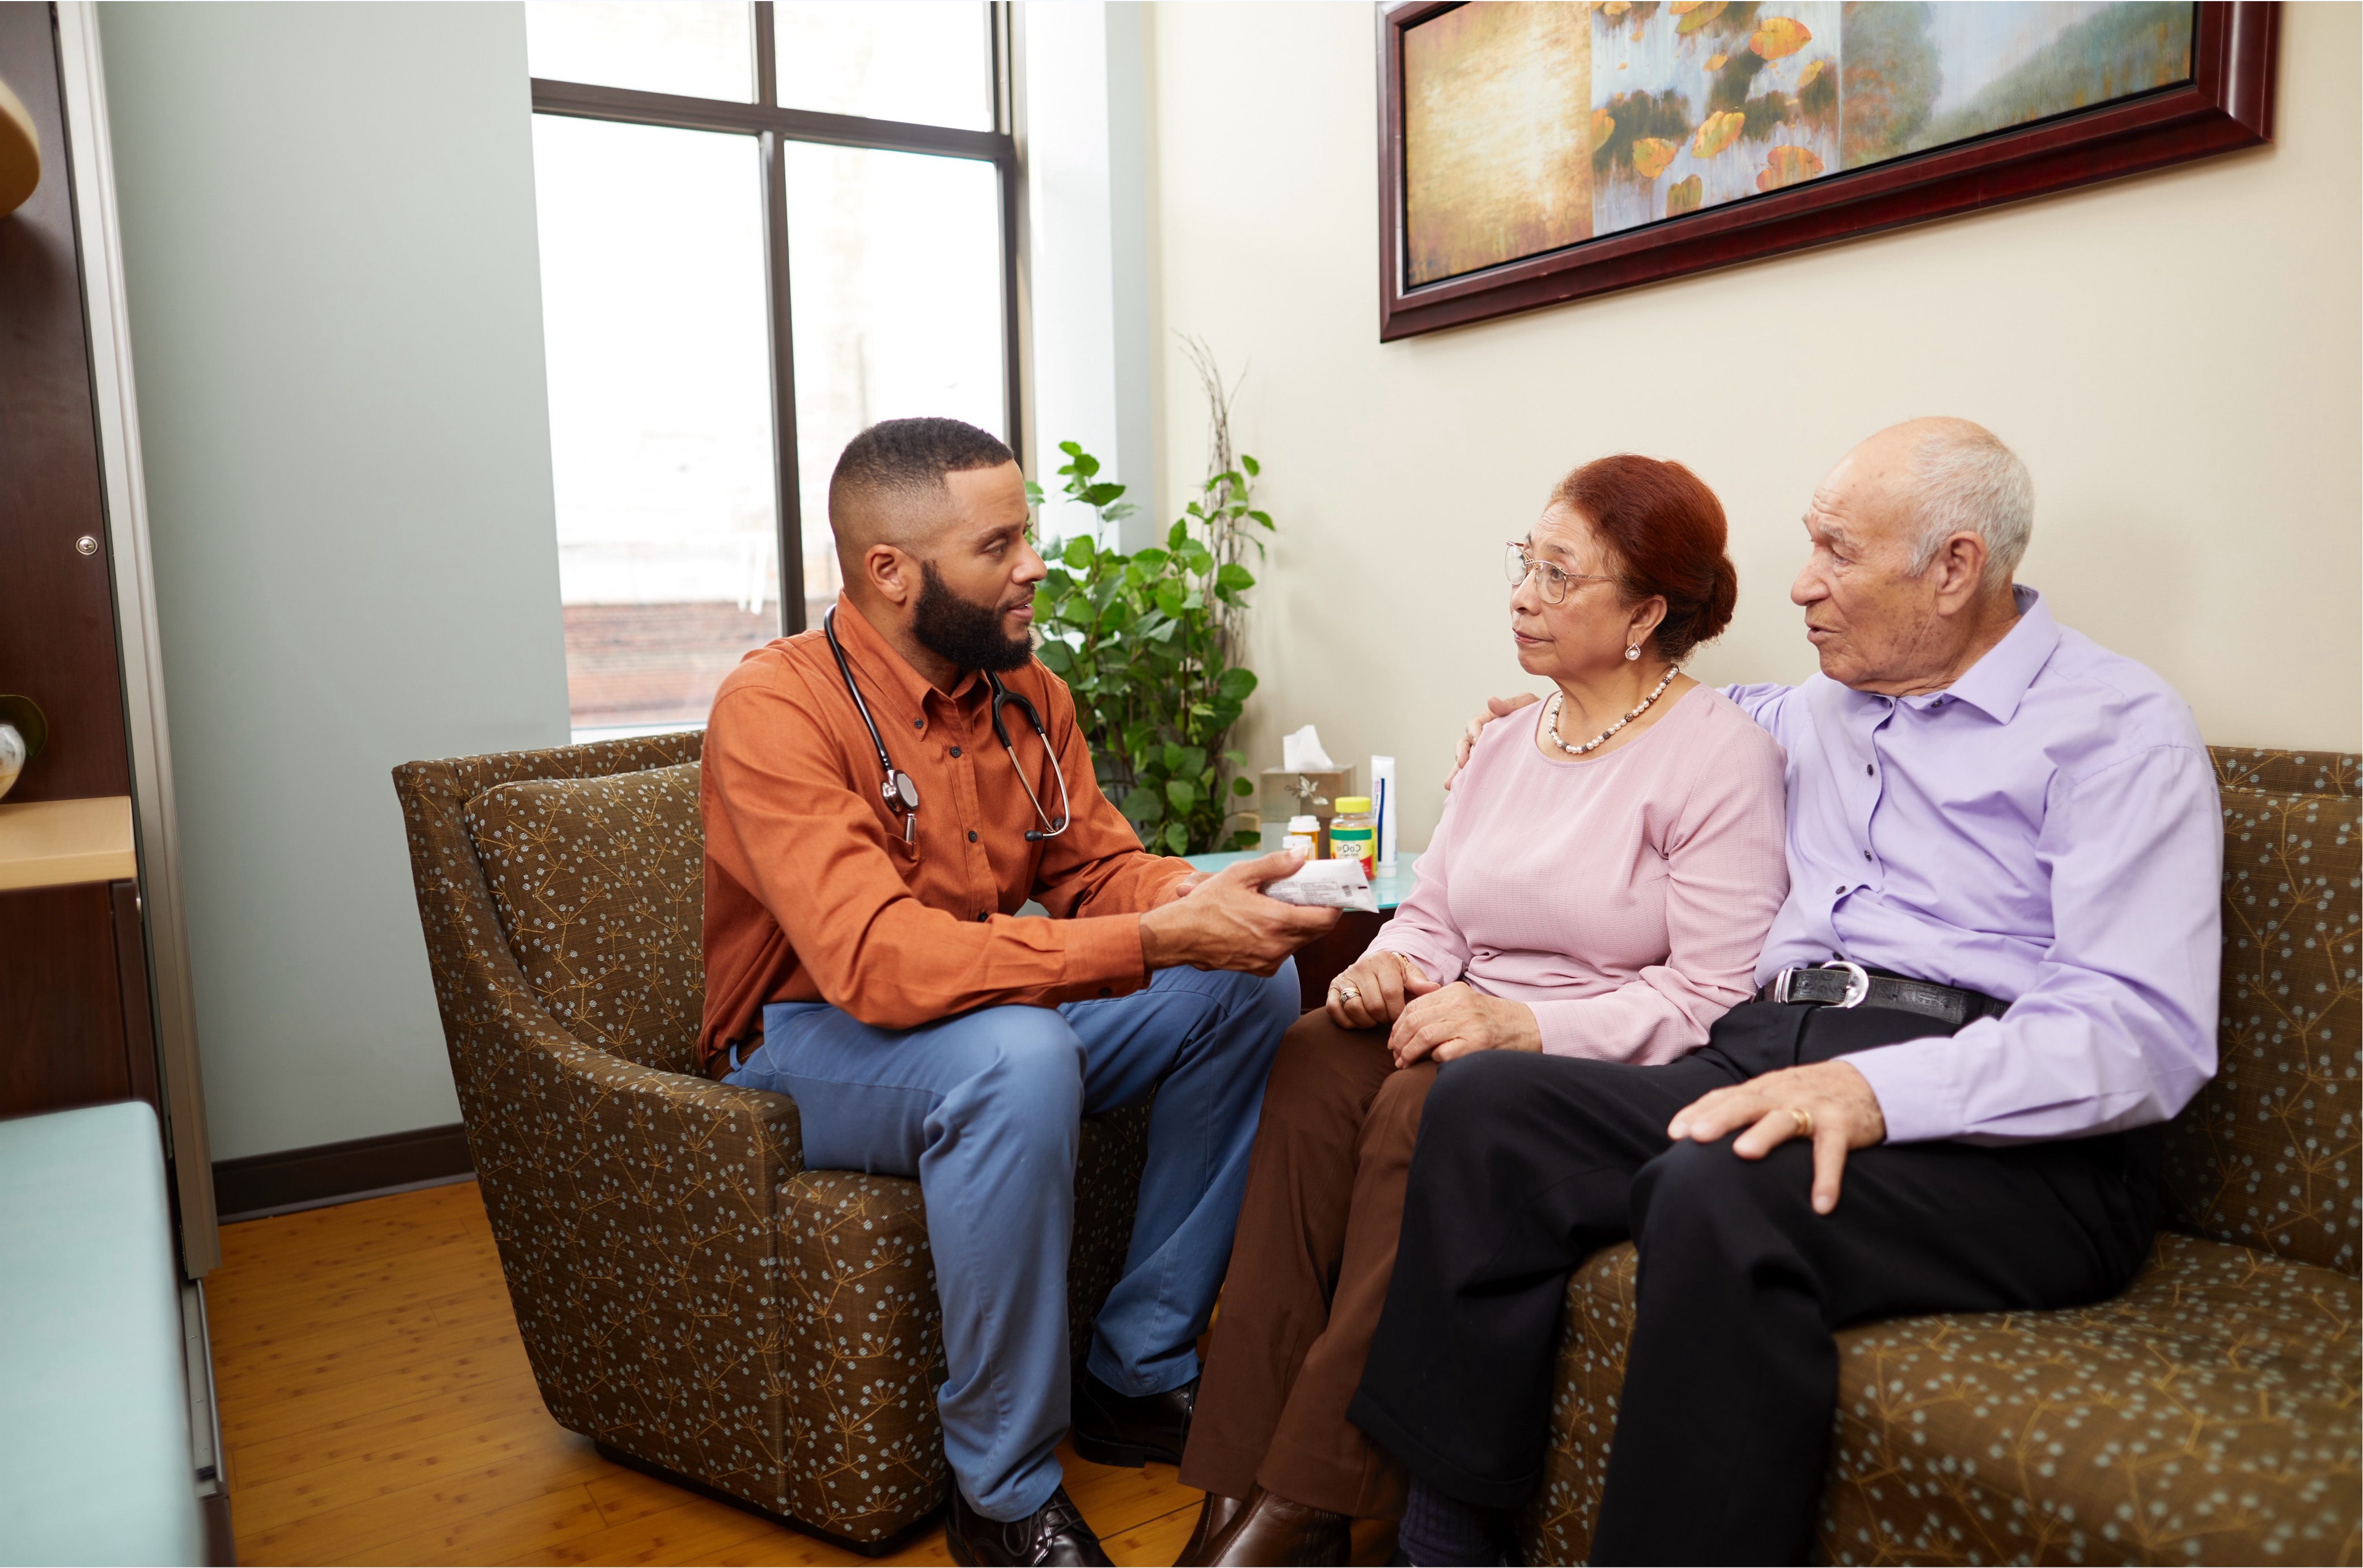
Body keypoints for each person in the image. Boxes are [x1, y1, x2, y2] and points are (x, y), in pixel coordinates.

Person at [1351, 418, 2223, 1566]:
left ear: (1953, 568)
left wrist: (1873, 1093)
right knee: (1486, 1109)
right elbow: (1658, 719)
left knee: (1716, 1189)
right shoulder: (1819, 703)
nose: (1800, 585)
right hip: (1772, 1047)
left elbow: (2139, 1035)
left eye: (1835, 553)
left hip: (2003, 1135)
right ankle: (1446, 1541)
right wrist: (1544, 714)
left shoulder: (2117, 732)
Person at [700, 417, 1340, 1567]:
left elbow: (1091, 868)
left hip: (983, 1015)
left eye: (1026, 534)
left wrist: (1203, 900)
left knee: (1244, 989)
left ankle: (1134, 1374)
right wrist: (1147, 938)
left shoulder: (1026, 692)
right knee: (1021, 1057)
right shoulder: (777, 707)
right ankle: (996, 1494)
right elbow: (878, 963)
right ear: (890, 572)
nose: (1034, 564)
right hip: (809, 1038)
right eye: (998, 545)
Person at [1174, 456, 1790, 1567]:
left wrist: (1526, 1028)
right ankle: (1234, 1482)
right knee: (1314, 1054)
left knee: (1423, 1101)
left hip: (1596, 1061)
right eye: (1525, 564)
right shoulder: (1511, 739)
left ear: (1646, 612)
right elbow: (1438, 914)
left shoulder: (1719, 759)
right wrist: (1390, 969)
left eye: (1560, 577)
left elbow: (1710, 994)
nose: (1522, 596)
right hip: (1464, 1023)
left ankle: (1306, 1498)